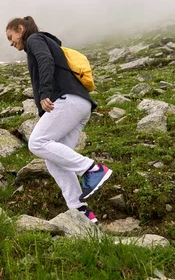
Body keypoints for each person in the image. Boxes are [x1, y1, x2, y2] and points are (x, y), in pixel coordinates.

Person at [6, 16, 112, 223]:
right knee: (54, 161)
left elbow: (46, 61)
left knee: (37, 143)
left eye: (11, 37)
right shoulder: (46, 41)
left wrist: (44, 92)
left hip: (67, 100)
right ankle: (80, 212)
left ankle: (92, 170)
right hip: (80, 105)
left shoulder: (35, 39)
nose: (11, 42)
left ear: (20, 29)